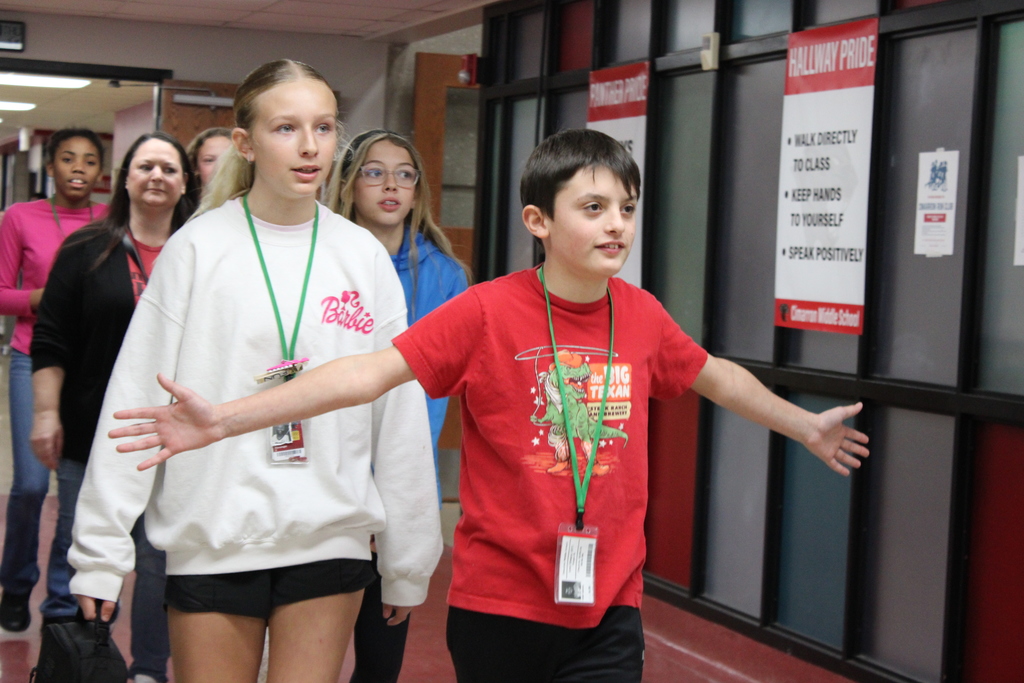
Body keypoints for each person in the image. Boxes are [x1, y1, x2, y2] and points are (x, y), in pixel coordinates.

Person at [108, 129, 869, 682]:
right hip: (501, 600)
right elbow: (367, 374)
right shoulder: (485, 312)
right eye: (595, 206)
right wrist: (229, 418)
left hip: (609, 601)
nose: (617, 225)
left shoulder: (639, 314)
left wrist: (802, 424)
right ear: (538, 222)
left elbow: (714, 375)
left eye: (627, 209)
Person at [67, 60, 442, 683]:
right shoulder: (197, 248)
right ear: (245, 142)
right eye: (285, 128)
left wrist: (408, 556)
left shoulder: (362, 257)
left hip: (330, 534)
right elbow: (134, 403)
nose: (308, 147)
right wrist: (101, 553)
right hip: (215, 536)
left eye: (324, 128)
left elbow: (397, 414)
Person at [31, 131, 196, 683]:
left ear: (184, 183)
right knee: (82, 549)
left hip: (171, 437)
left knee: (156, 561)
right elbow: (51, 340)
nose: (157, 177)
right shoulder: (87, 249)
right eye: (145, 166)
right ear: (125, 178)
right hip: (91, 430)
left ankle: (149, 669)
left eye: (169, 169)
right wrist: (46, 413)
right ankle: (77, 663)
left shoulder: (199, 254)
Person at [326, 130, 468, 683]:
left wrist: (392, 493)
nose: (390, 185)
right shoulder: (323, 261)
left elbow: (435, 397)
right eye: (374, 171)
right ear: (348, 184)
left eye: (404, 173)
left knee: (381, 655)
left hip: (402, 485)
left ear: (419, 190)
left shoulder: (446, 277)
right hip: (330, 479)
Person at [0, 128, 107, 632]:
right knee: (28, 484)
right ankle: (16, 583)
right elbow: (2, 294)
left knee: (77, 490)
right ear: (52, 166)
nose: (78, 168)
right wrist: (46, 298)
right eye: (68, 158)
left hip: (90, 368)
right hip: (32, 358)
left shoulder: (112, 222)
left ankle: (64, 597)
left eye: (89, 160)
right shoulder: (21, 217)